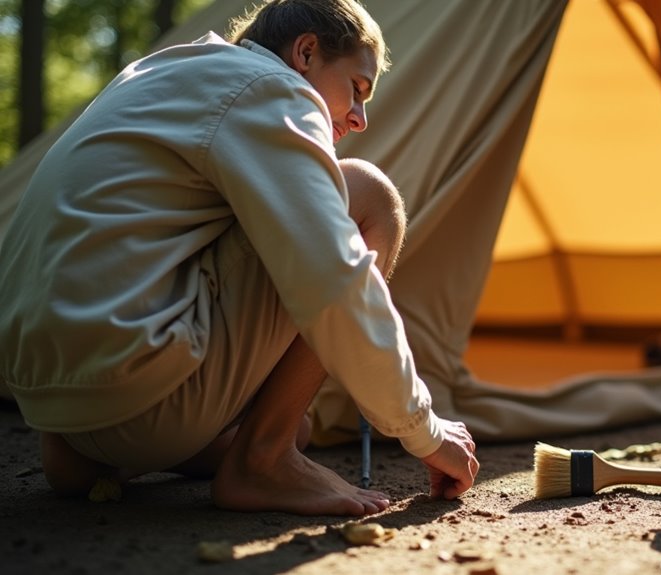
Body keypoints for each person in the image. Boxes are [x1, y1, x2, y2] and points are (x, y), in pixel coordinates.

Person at [0, 0, 479, 516]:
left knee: (298, 424)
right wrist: (422, 429)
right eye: (357, 90)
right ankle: (264, 460)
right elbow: (333, 273)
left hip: (48, 393)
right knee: (367, 193)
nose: (360, 118)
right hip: (136, 383)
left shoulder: (164, 72)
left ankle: (95, 455)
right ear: (307, 52)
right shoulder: (269, 89)